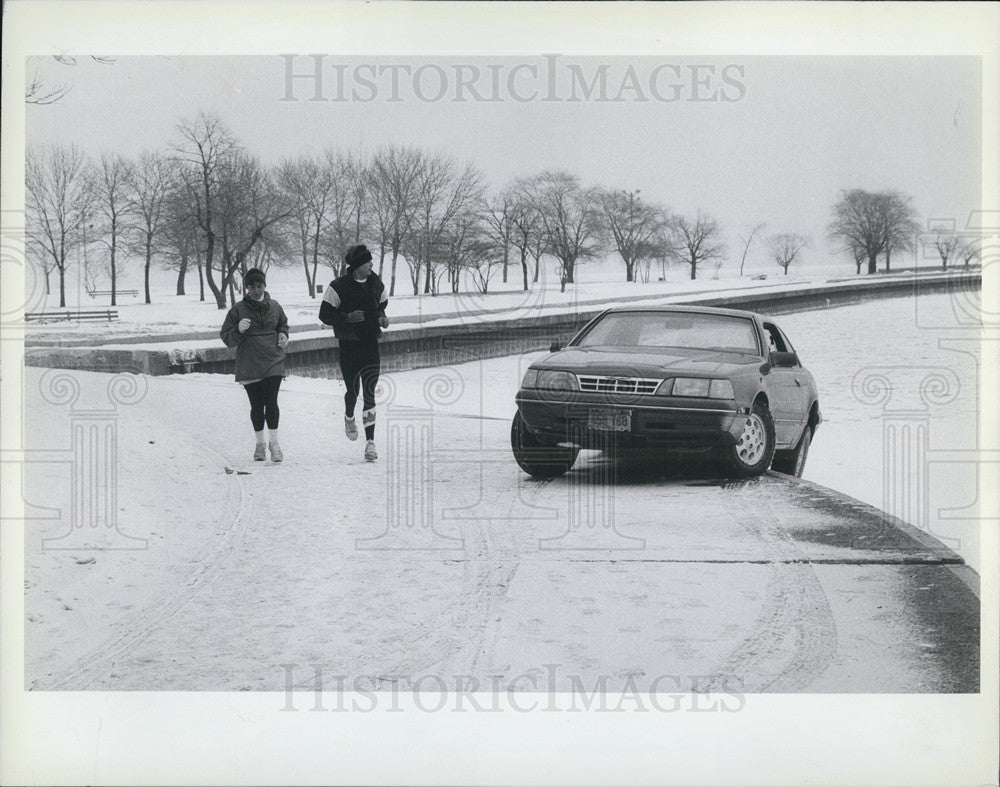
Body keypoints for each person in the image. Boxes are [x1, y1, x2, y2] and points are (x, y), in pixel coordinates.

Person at [318, 243, 389, 462]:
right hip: (349, 345)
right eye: (368, 262)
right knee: (353, 390)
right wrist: (346, 318)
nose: (371, 265)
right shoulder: (338, 286)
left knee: (369, 391)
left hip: (370, 343)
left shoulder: (376, 283)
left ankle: (370, 443)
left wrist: (381, 318)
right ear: (358, 265)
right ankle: (349, 416)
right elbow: (324, 314)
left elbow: (381, 306)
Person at [220, 267, 290, 462]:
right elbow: (227, 338)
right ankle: (260, 444)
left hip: (273, 360)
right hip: (249, 362)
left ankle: (274, 443)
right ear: (246, 288)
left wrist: (283, 334)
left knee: (272, 401)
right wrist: (238, 329)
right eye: (251, 286)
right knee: (257, 405)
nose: (256, 290)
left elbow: (282, 324)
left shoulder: (275, 306)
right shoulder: (237, 310)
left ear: (264, 285)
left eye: (259, 286)